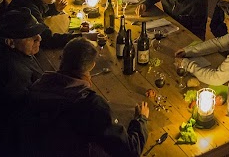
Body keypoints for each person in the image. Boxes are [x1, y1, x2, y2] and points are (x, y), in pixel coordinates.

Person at [20, 38, 149, 157]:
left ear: (63, 58)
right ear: (92, 65)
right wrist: (141, 120)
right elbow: (130, 151)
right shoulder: (91, 105)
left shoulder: (39, 84)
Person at [0, 9, 44, 156]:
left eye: (37, 33)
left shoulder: (2, 49)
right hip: (8, 140)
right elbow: (27, 108)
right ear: (10, 42)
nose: (39, 38)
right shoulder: (12, 71)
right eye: (31, 37)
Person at [6, 0, 76, 49]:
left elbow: (39, 12)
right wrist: (81, 37)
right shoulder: (28, 10)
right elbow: (47, 40)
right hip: (10, 53)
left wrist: (55, 9)